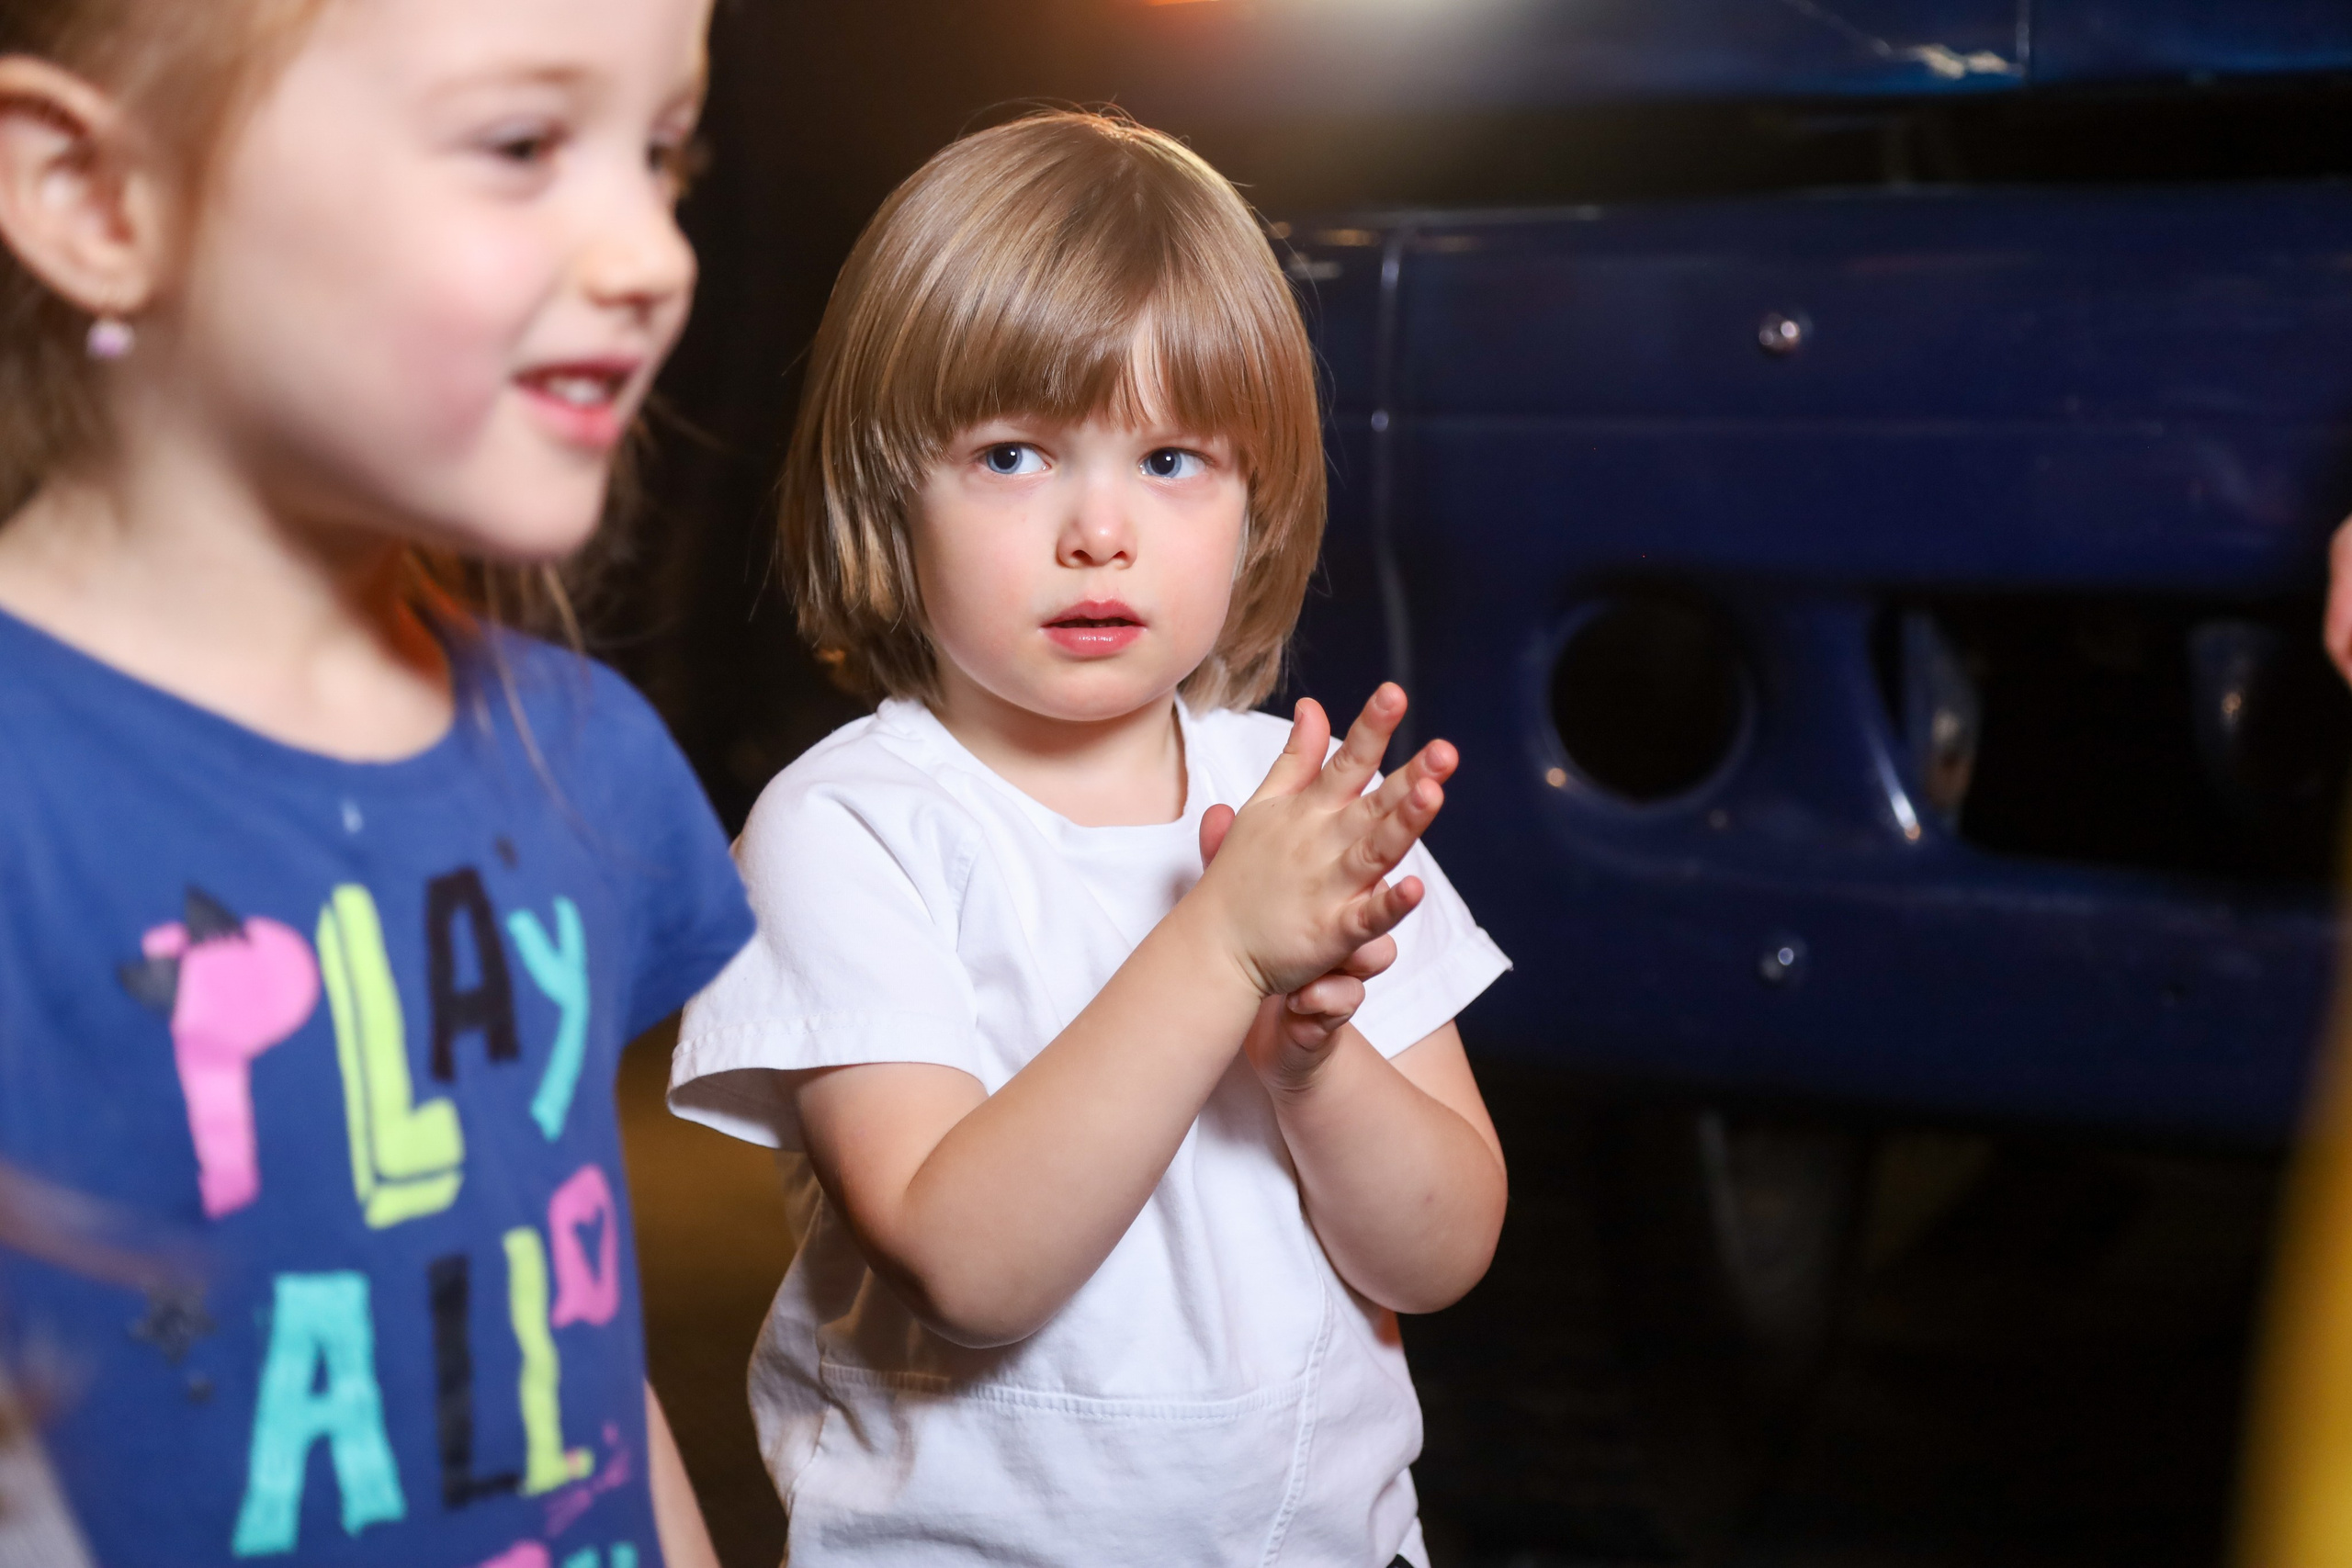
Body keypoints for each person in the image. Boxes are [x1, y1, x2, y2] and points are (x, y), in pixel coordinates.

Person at [671, 111, 1513, 1567]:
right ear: (890, 497)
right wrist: (1223, 945)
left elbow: (1441, 1256)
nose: (1099, 531)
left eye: (1175, 458)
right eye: (1013, 454)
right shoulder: (851, 828)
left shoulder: (1303, 812)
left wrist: (1314, 1071)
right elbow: (970, 1264)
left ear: (1259, 505)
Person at [0, 1, 755, 1563]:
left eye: (663, 150)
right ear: (98, 199)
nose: (654, 255)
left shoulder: (584, 754)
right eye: (522, 144)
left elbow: (568, 1343)